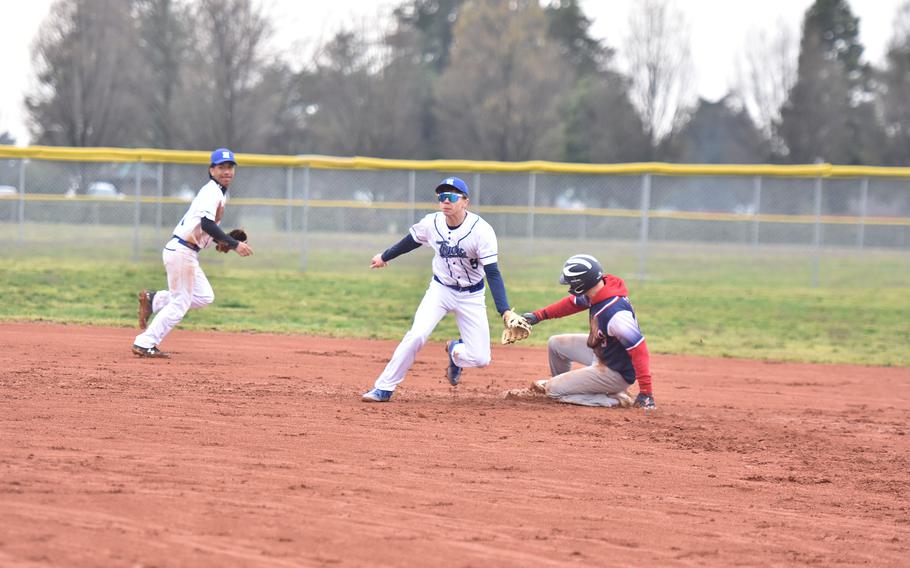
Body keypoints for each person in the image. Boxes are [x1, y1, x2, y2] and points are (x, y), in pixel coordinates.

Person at [362, 176, 520, 402]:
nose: (445, 201)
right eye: (441, 196)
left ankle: (455, 351)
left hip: (472, 294)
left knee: (481, 359)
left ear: (465, 201)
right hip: (441, 290)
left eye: (451, 196)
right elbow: (410, 241)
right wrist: (384, 257)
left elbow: (493, 272)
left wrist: (504, 310)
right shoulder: (431, 223)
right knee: (416, 335)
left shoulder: (481, 231)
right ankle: (384, 387)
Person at [132, 148, 253, 358]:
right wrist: (233, 243)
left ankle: (155, 300)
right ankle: (144, 342)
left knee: (204, 297)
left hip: (187, 251)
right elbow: (206, 223)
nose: (227, 171)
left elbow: (202, 226)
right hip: (182, 251)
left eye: (230, 167)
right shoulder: (211, 192)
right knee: (181, 301)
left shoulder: (219, 193)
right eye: (222, 167)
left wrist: (220, 240)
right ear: (212, 170)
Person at [522, 254, 656, 409]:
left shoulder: (616, 314)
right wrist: (537, 316)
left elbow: (639, 349)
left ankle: (615, 399)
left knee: (552, 391)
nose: (569, 287)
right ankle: (568, 387)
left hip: (616, 371)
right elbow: (571, 304)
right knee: (555, 344)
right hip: (603, 352)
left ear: (581, 285)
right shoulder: (598, 291)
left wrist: (646, 392)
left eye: (570, 283)